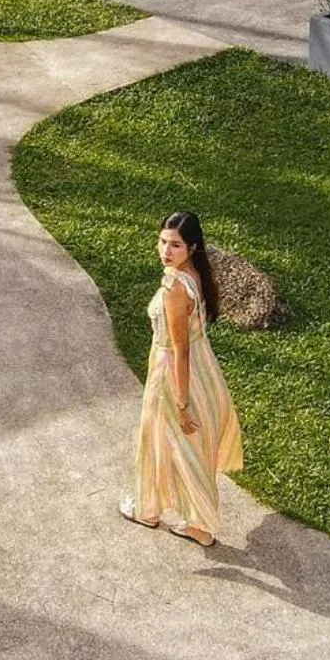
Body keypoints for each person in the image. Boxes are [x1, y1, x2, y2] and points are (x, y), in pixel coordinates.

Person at [119, 210, 244, 547]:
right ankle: (180, 516)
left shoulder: (175, 287)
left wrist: (182, 402)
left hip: (173, 373)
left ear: (192, 247)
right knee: (190, 446)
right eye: (162, 241)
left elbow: (179, 349)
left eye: (175, 245)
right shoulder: (194, 275)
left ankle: (154, 511)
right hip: (204, 369)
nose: (165, 250)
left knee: (159, 439)